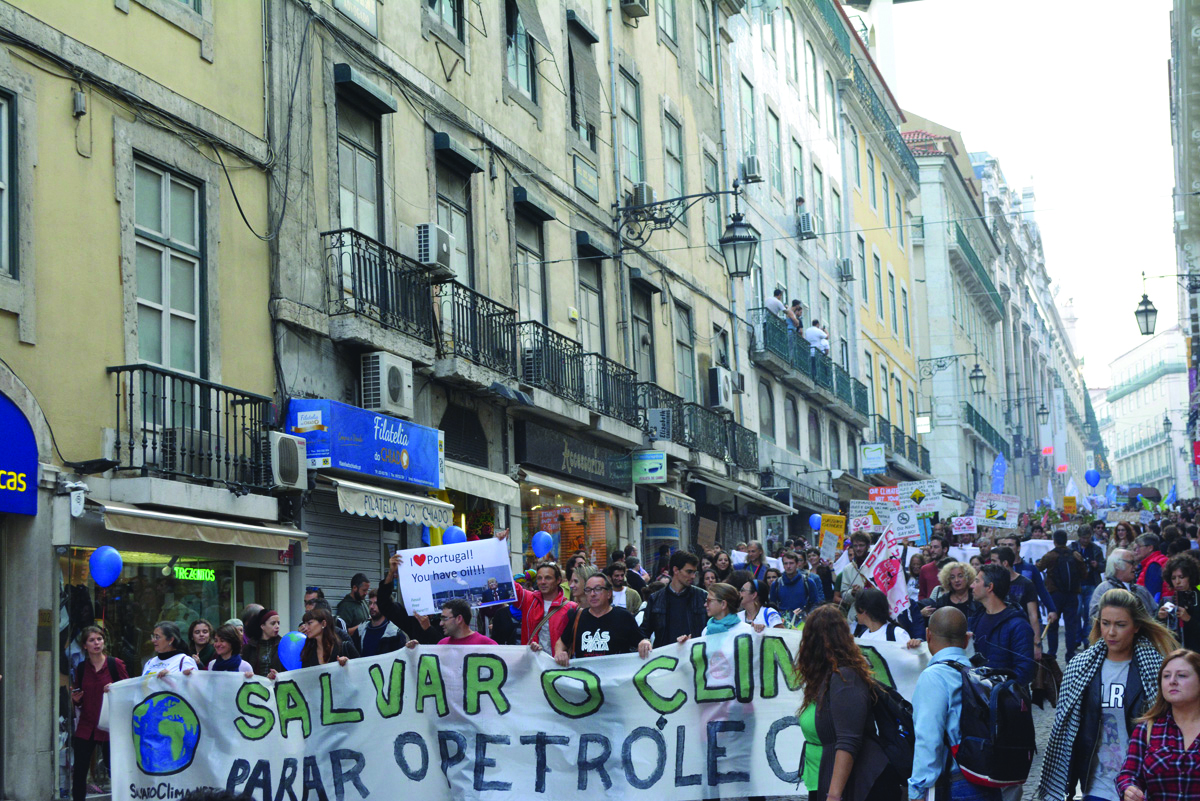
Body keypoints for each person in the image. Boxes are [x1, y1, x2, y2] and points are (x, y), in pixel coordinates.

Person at [1038, 589, 1175, 801]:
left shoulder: (1157, 669)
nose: (1111, 632)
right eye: (1105, 623)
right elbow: (1064, 731)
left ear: (1136, 626)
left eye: (1120, 625)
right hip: (1096, 785)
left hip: (1144, 784)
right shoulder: (1080, 667)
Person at [793, 604, 904, 801]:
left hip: (864, 783)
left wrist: (834, 796)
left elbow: (848, 741)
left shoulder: (845, 678)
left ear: (815, 642)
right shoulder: (829, 677)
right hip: (845, 779)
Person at [907, 608, 998, 801]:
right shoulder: (979, 672)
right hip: (988, 778)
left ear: (928, 635)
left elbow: (928, 739)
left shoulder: (934, 677)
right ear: (966, 640)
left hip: (956, 783)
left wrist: (917, 790)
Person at [1116, 649, 1200, 801]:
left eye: (1181, 675)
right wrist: (1129, 789)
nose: (1172, 681)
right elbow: (1128, 773)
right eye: (1166, 676)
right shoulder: (1147, 728)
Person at [71, 626, 129, 801]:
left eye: (99, 639)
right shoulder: (81, 668)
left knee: (115, 769)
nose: (96, 643)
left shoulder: (115, 664)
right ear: (84, 646)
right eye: (92, 640)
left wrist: (114, 690)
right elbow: (80, 697)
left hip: (110, 725)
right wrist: (76, 699)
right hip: (87, 724)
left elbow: (129, 691)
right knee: (80, 770)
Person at [542, 573, 644, 663]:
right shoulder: (578, 616)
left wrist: (644, 643)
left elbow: (641, 640)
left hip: (615, 681)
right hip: (586, 680)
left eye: (598, 589)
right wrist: (559, 652)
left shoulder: (623, 616)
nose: (593, 594)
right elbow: (561, 642)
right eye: (588, 590)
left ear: (609, 593)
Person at [968, 565, 1035, 685]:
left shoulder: (1018, 625)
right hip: (978, 698)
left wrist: (998, 689)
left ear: (990, 587)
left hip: (1004, 699)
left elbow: (1025, 671)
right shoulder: (976, 617)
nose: (971, 585)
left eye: (977, 581)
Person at [638, 551, 707, 656]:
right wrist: (644, 640)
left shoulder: (702, 597)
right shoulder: (656, 598)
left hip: (694, 657)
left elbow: (713, 627)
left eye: (694, 572)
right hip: (664, 660)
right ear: (676, 570)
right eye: (689, 572)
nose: (693, 576)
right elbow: (645, 630)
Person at [992, 546, 1047, 661]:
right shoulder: (994, 585)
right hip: (1001, 637)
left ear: (1005, 563)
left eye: (994, 561)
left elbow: (1033, 614)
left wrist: (1036, 643)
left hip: (1022, 636)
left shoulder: (1026, 584)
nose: (990, 564)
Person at [1039, 530, 1088, 660]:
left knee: (1052, 625)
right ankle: (1070, 655)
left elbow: (1037, 568)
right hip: (1072, 595)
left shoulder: (1051, 556)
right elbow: (1084, 574)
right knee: (1071, 626)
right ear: (1066, 540)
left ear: (1054, 540)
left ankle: (1052, 654)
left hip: (1055, 595)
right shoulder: (1075, 555)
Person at [377, 554, 445, 645]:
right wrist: (391, 573)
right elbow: (384, 604)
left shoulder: (447, 617)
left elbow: (445, 645)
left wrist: (428, 628)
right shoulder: (413, 618)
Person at [997, 533, 1059, 630]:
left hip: (1030, 616)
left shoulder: (1030, 569)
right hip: (1008, 618)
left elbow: (1042, 590)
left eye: (1010, 545)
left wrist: (1051, 609)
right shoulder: (998, 569)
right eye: (1004, 545)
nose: (1007, 547)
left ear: (1018, 548)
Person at [1091, 549, 1159, 622]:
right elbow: (1094, 618)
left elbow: (1154, 614)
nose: (1136, 567)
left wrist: (1161, 614)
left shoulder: (1141, 590)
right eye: (1131, 563)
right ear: (1117, 565)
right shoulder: (1104, 589)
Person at [402, 598, 497, 648]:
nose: (441, 624)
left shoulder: (487, 644)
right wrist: (416, 651)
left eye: (445, 619)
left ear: (459, 618)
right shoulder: (442, 644)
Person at [1159, 554, 1200, 649]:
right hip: (1173, 653)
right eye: (1173, 578)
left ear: (1191, 577)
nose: (1177, 582)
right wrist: (1159, 618)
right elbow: (1155, 633)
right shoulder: (1167, 600)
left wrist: (1189, 619)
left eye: (1181, 577)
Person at [770, 550, 824, 622]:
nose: (788, 566)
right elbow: (772, 607)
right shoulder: (776, 584)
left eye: (791, 563)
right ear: (783, 565)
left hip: (803, 623)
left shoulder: (808, 582)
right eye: (786, 563)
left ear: (797, 564)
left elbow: (816, 604)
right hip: (783, 624)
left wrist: (809, 616)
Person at [354, 588, 407, 656]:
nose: (372, 607)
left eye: (376, 603)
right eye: (370, 603)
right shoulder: (360, 631)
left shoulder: (395, 634)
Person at [834, 532, 873, 619]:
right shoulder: (848, 569)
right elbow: (844, 594)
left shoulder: (876, 566)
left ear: (868, 546)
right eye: (855, 545)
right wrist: (852, 593)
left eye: (861, 545)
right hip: (856, 617)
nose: (858, 548)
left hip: (875, 615)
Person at [240, 608, 283, 677]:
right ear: (262, 626)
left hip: (276, 685)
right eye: (273, 623)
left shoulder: (282, 644)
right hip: (255, 686)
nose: (277, 626)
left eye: (278, 623)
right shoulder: (250, 647)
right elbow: (242, 669)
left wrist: (278, 675)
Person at [1133, 535, 1172, 602]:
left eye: (1139, 547)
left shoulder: (1154, 565)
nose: (1136, 551)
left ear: (1150, 548)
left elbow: (1151, 596)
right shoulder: (1157, 560)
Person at [336, 573, 371, 640]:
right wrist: (363, 626)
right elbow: (343, 632)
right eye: (364, 590)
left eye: (367, 590)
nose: (366, 593)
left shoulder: (363, 602)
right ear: (355, 588)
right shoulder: (345, 607)